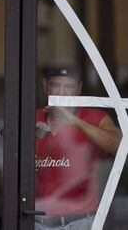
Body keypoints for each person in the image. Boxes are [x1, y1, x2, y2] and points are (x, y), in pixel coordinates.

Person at [35, 67, 121, 230]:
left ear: (79, 89)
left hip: (80, 222)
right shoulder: (31, 118)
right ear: (45, 86)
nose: (62, 93)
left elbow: (121, 146)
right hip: (36, 222)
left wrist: (77, 122)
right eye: (56, 85)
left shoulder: (94, 118)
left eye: (69, 87)